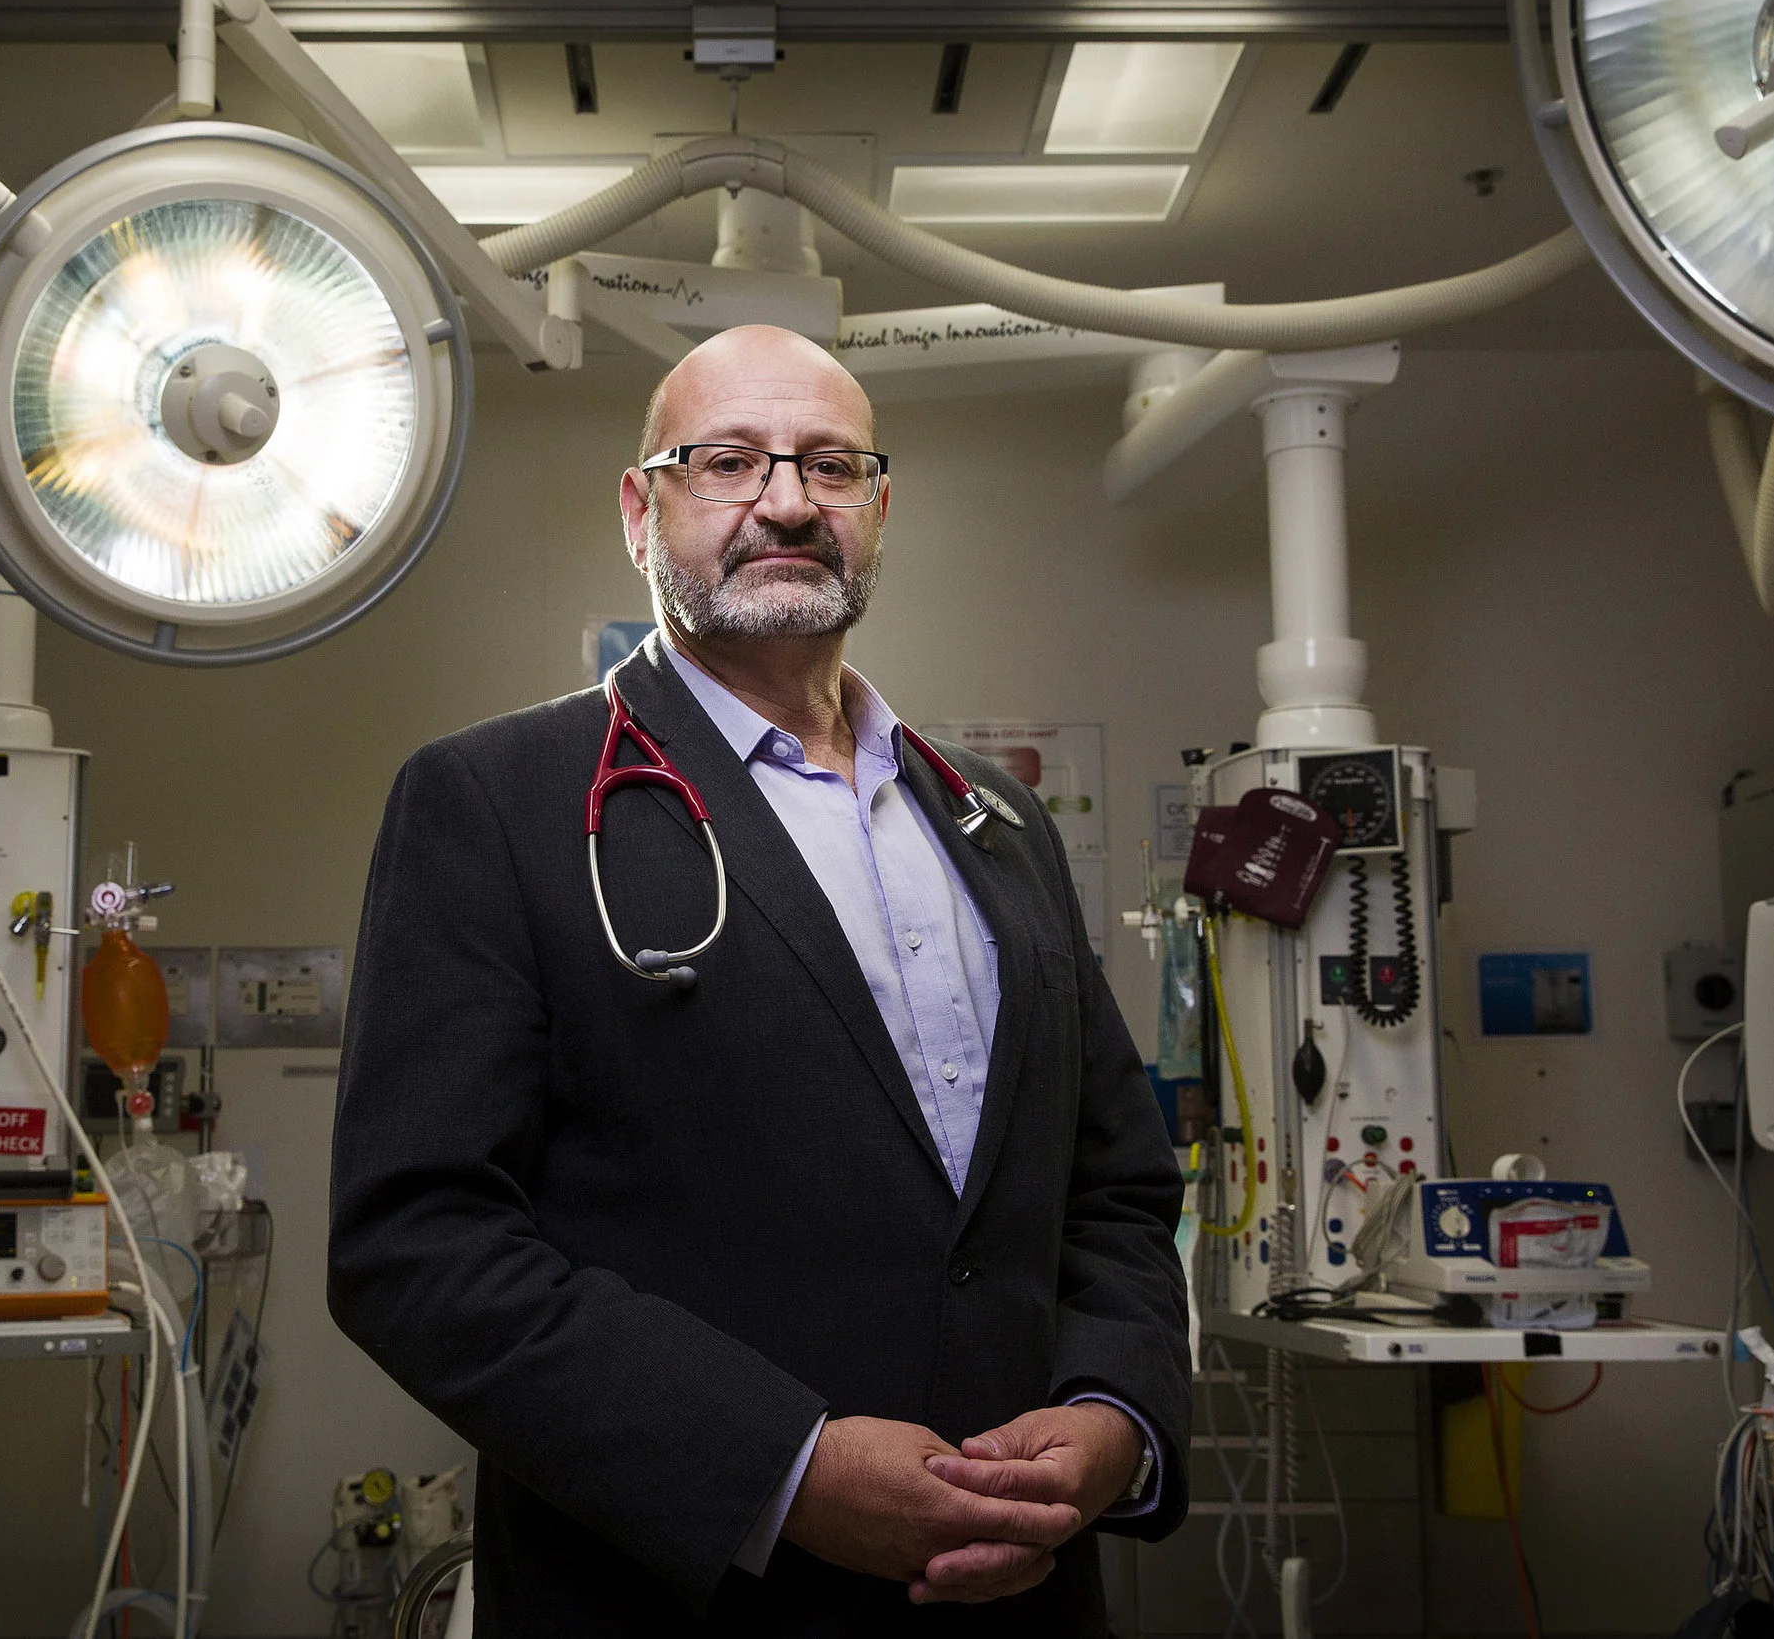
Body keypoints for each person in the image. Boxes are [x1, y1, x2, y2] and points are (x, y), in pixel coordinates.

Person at [330, 324, 1189, 1635]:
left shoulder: (997, 825)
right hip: (667, 1595)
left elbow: (1115, 1189)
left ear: (878, 508)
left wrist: (1115, 1417)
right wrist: (785, 1467)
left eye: (831, 466)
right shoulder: (496, 803)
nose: (787, 501)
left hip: (1020, 1595)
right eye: (727, 460)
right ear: (641, 507)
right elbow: (419, 1245)